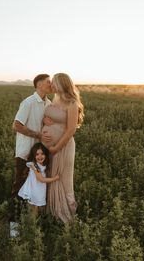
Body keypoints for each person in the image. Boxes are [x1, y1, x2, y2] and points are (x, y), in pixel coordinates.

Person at [41, 73, 84, 223]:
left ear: (61, 84)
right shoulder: (55, 98)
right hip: (49, 147)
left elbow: (71, 129)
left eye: (53, 83)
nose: (51, 86)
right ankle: (52, 212)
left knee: (63, 178)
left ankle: (67, 215)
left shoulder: (72, 103)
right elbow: (60, 121)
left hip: (63, 147)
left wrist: (56, 147)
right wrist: (48, 122)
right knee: (51, 175)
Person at [9, 74, 52, 223]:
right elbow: (17, 125)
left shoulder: (49, 104)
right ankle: (14, 229)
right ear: (39, 84)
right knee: (19, 190)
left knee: (36, 191)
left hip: (40, 156)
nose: (51, 84)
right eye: (48, 82)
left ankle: (32, 226)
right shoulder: (28, 102)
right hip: (25, 154)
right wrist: (37, 135)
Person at [18, 142, 59, 215]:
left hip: (39, 190)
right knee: (32, 210)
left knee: (36, 209)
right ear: (34, 156)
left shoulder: (44, 165)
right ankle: (31, 224)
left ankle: (34, 223)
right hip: (33, 190)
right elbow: (41, 179)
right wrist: (55, 178)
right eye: (37, 154)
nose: (40, 156)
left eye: (42, 154)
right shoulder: (34, 166)